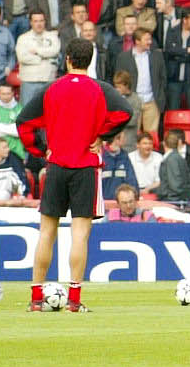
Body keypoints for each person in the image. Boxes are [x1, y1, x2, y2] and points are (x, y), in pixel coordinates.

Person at [16, 35, 133, 313]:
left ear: (67, 58)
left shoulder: (52, 89)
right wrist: (103, 136)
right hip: (85, 168)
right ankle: (74, 300)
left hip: (56, 166)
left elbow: (24, 121)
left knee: (46, 232)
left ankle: (35, 298)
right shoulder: (100, 89)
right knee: (79, 234)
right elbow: (125, 113)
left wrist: (40, 149)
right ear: (90, 61)